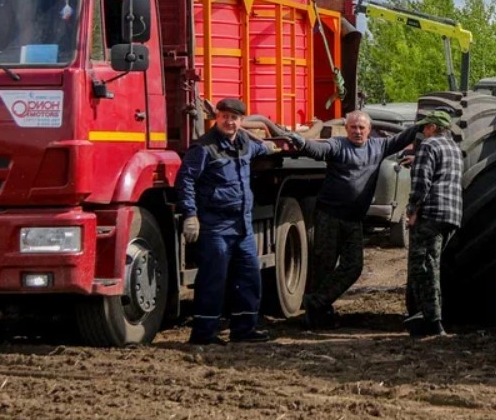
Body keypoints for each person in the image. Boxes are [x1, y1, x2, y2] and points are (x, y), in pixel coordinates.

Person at [287, 110, 417, 328]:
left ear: (369, 130)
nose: (358, 131)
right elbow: (319, 150)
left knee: (353, 266)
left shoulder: (379, 146)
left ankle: (317, 302)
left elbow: (402, 138)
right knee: (323, 267)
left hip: (354, 219)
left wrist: (423, 124)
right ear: (346, 129)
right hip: (329, 216)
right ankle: (318, 316)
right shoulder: (338, 145)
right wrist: (302, 143)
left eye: (362, 128)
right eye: (353, 127)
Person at [176, 98, 277, 344]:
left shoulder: (244, 143)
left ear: (241, 121)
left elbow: (262, 148)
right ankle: (204, 333)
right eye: (224, 116)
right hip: (215, 226)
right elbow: (186, 181)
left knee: (249, 277)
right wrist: (190, 215)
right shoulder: (203, 148)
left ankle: (244, 330)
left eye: (234, 118)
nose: (229, 122)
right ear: (217, 117)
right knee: (213, 279)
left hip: (242, 226)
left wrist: (274, 146)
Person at [403, 110, 463, 338]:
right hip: (450, 215)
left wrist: (412, 212)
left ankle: (433, 323)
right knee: (433, 264)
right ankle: (429, 318)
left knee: (425, 269)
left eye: (425, 127)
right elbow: (441, 173)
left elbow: (421, 183)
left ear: (433, 128)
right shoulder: (454, 149)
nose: (423, 131)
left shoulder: (428, 146)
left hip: (431, 214)